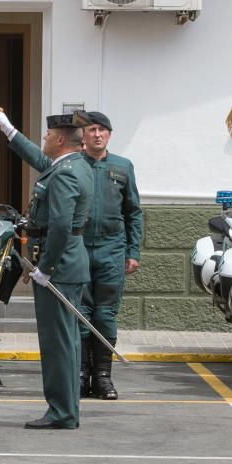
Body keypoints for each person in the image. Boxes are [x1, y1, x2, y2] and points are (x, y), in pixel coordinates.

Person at [0, 109, 93, 429]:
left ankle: (62, 412)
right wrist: (9, 131)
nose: (44, 140)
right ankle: (66, 409)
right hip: (70, 264)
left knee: (57, 342)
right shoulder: (75, 165)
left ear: (60, 140)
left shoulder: (64, 173)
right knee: (67, 341)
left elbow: (61, 225)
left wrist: (45, 267)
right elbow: (39, 159)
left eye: (47, 136)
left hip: (59, 267)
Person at [77, 111, 142, 400]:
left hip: (111, 249)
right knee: (79, 314)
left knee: (105, 314)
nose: (97, 134)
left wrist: (133, 251)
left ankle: (102, 377)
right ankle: (80, 375)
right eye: (92, 129)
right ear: (84, 135)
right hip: (78, 248)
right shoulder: (74, 165)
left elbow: (133, 213)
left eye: (102, 130)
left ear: (110, 135)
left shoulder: (123, 167)